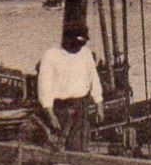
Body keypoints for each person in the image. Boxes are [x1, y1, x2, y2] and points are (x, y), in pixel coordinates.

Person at [36, 23, 104, 152]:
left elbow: (94, 78)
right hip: (60, 109)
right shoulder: (51, 55)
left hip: (81, 107)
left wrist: (99, 104)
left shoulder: (85, 53)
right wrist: (50, 115)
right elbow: (44, 87)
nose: (79, 47)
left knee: (79, 147)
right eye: (77, 43)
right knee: (57, 148)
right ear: (67, 39)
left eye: (82, 43)